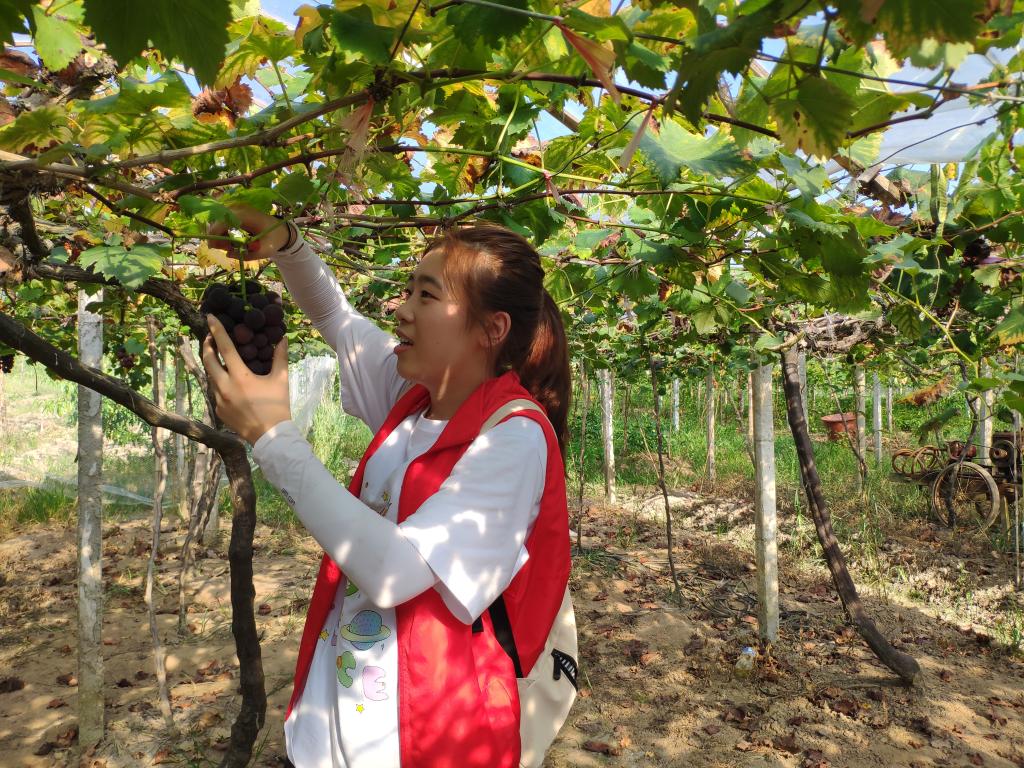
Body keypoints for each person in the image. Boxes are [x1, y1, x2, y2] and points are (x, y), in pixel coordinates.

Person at [200, 208, 573, 768]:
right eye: (408, 289)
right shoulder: (414, 400)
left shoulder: (514, 441)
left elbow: (394, 571)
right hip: (338, 728)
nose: (401, 309)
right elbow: (335, 315)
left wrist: (273, 438)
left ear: (491, 330)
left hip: (425, 738)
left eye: (426, 295)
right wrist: (285, 243)